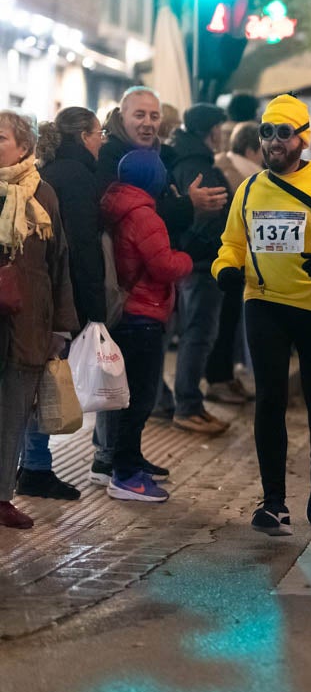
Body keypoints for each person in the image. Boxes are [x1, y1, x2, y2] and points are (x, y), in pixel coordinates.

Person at [212, 94, 311, 536]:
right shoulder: (248, 189)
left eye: (283, 133)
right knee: (269, 397)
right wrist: (225, 269)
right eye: (267, 132)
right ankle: (273, 502)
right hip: (264, 301)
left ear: (302, 139)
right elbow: (232, 243)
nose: (273, 141)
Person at [16, 108, 103, 501]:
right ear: (86, 135)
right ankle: (34, 467)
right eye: (98, 132)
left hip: (34, 302)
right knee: (41, 386)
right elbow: (78, 252)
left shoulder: (46, 177)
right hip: (46, 302)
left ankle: (31, 466)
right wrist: (91, 309)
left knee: (29, 387)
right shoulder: (76, 178)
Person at [100, 150, 194, 502]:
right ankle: (125, 476)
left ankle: (129, 462)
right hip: (143, 313)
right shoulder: (144, 215)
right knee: (139, 400)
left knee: (134, 397)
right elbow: (163, 266)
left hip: (128, 312)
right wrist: (188, 259)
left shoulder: (117, 205)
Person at [0, 111, 78, 529]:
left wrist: (61, 327)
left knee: (12, 413)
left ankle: (1, 497)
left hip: (27, 323)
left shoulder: (41, 194)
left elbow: (59, 263)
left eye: (0, 137)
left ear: (25, 146)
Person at [167, 103, 233, 435]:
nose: (224, 134)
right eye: (221, 128)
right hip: (204, 264)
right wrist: (213, 248)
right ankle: (188, 405)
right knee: (199, 334)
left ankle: (184, 403)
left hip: (194, 261)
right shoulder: (198, 165)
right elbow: (211, 215)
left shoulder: (184, 158)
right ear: (210, 131)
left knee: (193, 332)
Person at [207, 121, 263, 406]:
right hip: (231, 261)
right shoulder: (248, 178)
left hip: (223, 261)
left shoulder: (221, 165)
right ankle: (219, 379)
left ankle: (225, 377)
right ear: (253, 150)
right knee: (224, 324)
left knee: (223, 324)